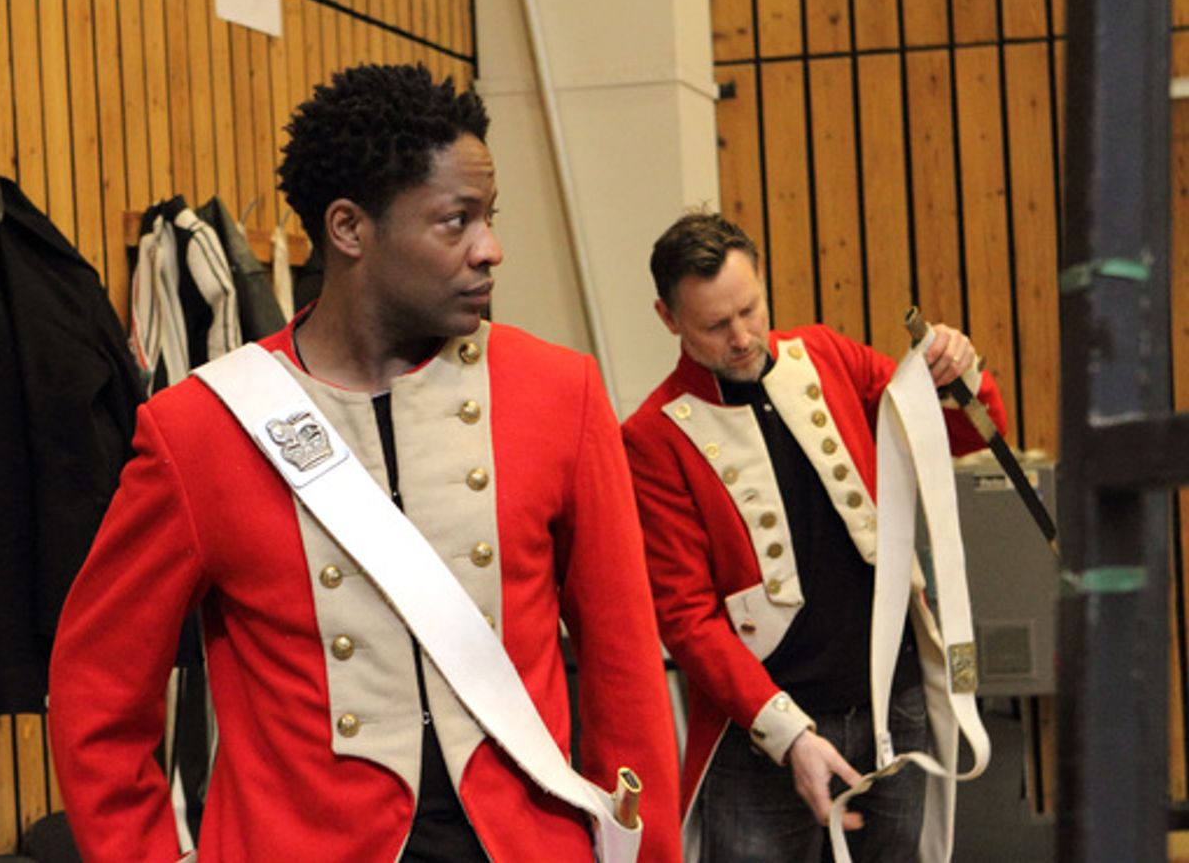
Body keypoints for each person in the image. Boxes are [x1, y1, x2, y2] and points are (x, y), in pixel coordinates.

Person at [49, 64, 681, 862]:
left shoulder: (560, 393)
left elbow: (626, 670)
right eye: (456, 222)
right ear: (349, 229)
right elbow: (96, 696)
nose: (492, 249)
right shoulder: (201, 429)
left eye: (489, 217)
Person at [621, 214, 1005, 862]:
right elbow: (687, 621)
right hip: (762, 731)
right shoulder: (653, 437)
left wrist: (959, 370)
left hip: (893, 696)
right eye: (717, 325)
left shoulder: (827, 354)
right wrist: (791, 735)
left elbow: (966, 433)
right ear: (668, 317)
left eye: (750, 309)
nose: (743, 337)